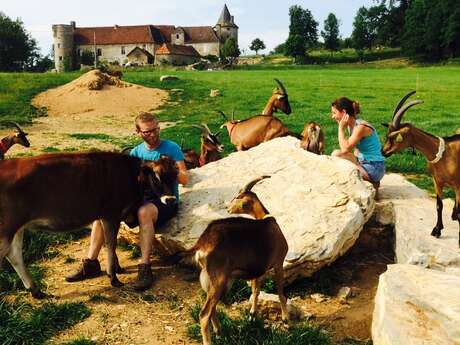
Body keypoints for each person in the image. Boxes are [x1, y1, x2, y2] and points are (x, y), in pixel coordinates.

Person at [66, 112, 187, 291]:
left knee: (143, 212)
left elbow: (185, 179)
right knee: (103, 212)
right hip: (140, 199)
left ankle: (145, 267)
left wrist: (169, 169)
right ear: (138, 132)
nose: (153, 134)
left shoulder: (171, 148)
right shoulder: (136, 152)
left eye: (155, 130)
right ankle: (91, 263)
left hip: (165, 201)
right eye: (147, 132)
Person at [330, 97, 385, 185]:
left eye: (334, 113)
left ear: (344, 112)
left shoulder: (360, 127)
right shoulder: (351, 125)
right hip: (363, 162)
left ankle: (372, 182)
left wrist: (340, 128)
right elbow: (353, 149)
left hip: (374, 167)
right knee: (336, 154)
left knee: (341, 164)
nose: (332, 116)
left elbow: (345, 149)